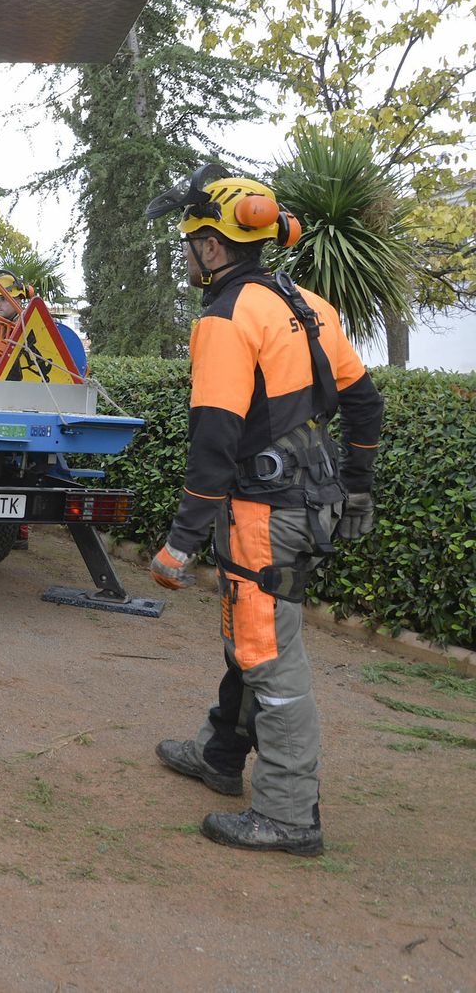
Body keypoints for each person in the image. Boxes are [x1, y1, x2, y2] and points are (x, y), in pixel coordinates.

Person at [144, 164, 383, 857]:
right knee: (249, 636)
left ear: (214, 247)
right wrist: (359, 489)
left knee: (270, 656)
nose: (188, 253)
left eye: (190, 241)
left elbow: (215, 442)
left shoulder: (224, 319)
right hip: (317, 501)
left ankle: (286, 811)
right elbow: (365, 402)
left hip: (263, 513)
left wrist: (180, 542)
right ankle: (221, 754)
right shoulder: (307, 306)